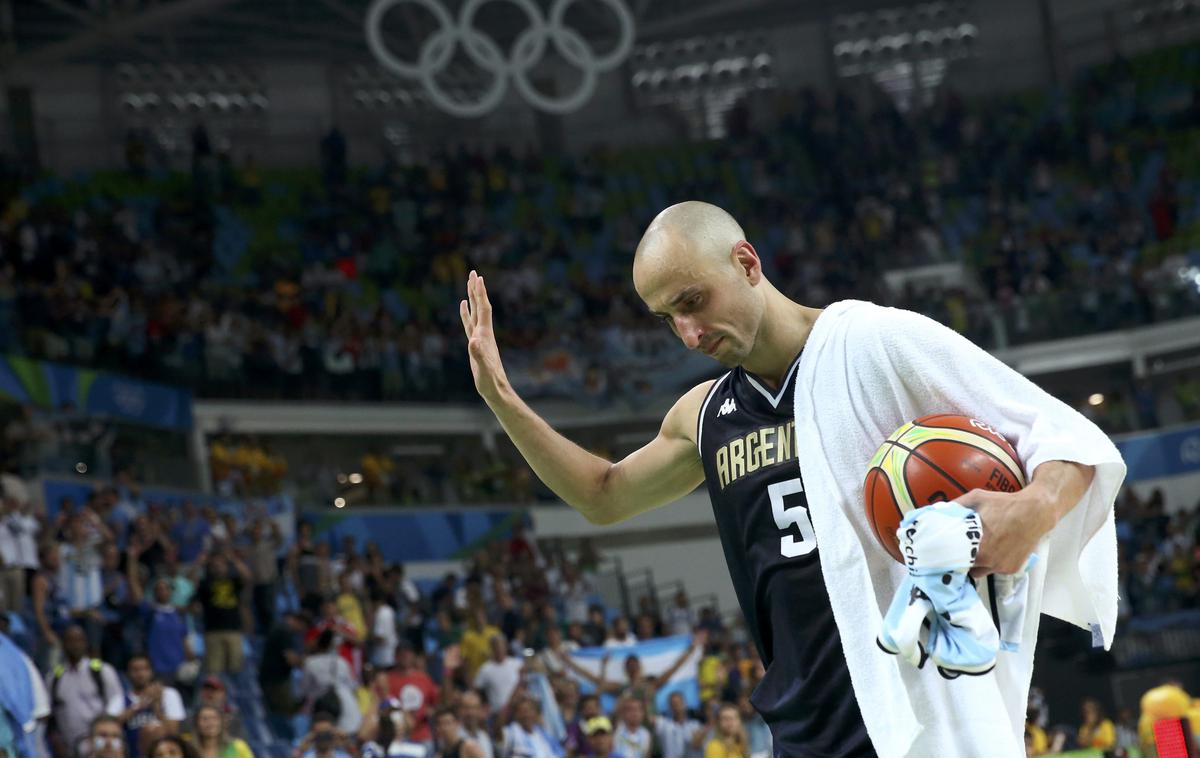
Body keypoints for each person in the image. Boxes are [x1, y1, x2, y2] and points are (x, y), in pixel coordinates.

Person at [458, 201, 1121, 755]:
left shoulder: (873, 343)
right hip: (802, 726)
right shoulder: (704, 415)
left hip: (915, 710)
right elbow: (602, 497)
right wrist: (505, 402)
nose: (687, 333)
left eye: (693, 301)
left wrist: (1033, 508)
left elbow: (1062, 437)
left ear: (746, 262)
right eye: (667, 318)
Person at [44, 625, 123, 758]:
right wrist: (56, 739)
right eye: (70, 641)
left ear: (86, 643)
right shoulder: (54, 677)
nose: (75, 645)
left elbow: (116, 701)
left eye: (79, 640)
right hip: (68, 744)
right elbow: (50, 713)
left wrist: (103, 731)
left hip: (99, 743)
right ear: (63, 644)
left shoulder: (101, 670)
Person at [109, 655, 185, 757]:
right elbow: (108, 728)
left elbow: (173, 733)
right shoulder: (118, 700)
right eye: (135, 670)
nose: (140, 674)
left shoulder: (169, 694)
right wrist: (138, 706)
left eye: (145, 669)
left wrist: (157, 706)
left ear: (152, 671)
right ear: (127, 674)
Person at [472, 636, 522, 715]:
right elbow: (476, 689)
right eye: (496, 647)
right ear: (491, 649)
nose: (499, 650)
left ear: (506, 647)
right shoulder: (485, 669)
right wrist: (483, 706)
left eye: (501, 647)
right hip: (496, 713)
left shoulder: (517, 664)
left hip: (517, 711)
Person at [186, 705, 253, 758]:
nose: (210, 723)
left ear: (222, 722)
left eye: (214, 718)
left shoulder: (239, 747)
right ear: (196, 723)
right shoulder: (186, 746)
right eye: (204, 719)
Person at [655, 693, 705, 758]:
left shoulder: (695, 725)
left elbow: (697, 746)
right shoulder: (663, 724)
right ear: (669, 707)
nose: (676, 706)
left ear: (685, 704)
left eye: (679, 702)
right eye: (673, 704)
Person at [457, 691, 494, 758]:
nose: (471, 713)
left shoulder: (484, 736)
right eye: (466, 708)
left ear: (480, 711)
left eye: (474, 708)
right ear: (460, 710)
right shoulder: (455, 737)